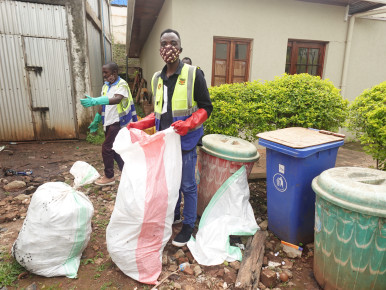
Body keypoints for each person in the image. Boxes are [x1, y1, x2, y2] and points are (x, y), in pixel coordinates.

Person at [127, 29, 213, 247]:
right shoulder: (157, 77)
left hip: (185, 141)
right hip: (164, 141)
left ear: (180, 48)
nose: (169, 47)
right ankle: (173, 215)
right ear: (159, 50)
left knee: (187, 185)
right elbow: (158, 113)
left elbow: (206, 108)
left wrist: (189, 123)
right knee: (169, 184)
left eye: (173, 43)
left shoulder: (194, 74)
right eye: (164, 43)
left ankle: (188, 225)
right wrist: (140, 124)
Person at [81, 62, 137, 186]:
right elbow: (103, 104)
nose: (104, 75)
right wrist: (96, 119)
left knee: (107, 148)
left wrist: (95, 100)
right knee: (115, 150)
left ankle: (109, 176)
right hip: (109, 122)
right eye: (103, 72)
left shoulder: (122, 85)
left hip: (119, 122)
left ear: (114, 73)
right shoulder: (106, 86)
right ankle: (128, 173)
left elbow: (117, 99)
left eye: (106, 72)